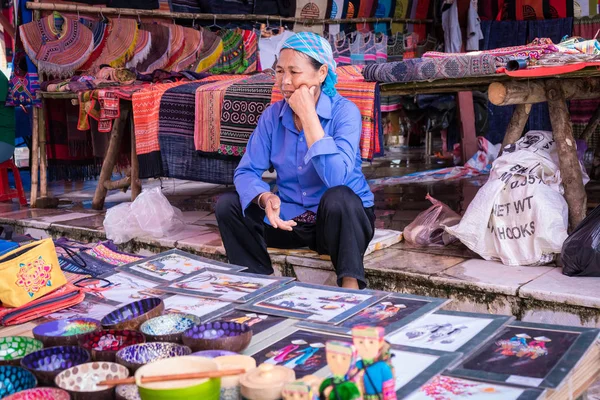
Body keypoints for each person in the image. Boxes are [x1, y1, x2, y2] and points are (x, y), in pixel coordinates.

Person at [216, 31, 375, 289]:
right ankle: (260, 283)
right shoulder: (272, 116)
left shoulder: (345, 112)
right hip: (289, 220)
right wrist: (264, 197)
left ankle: (350, 288)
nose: (285, 82)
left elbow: (337, 179)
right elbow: (245, 172)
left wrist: (309, 116)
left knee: (339, 198)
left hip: (337, 224)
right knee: (230, 205)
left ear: (321, 73)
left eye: (294, 72)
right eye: (279, 71)